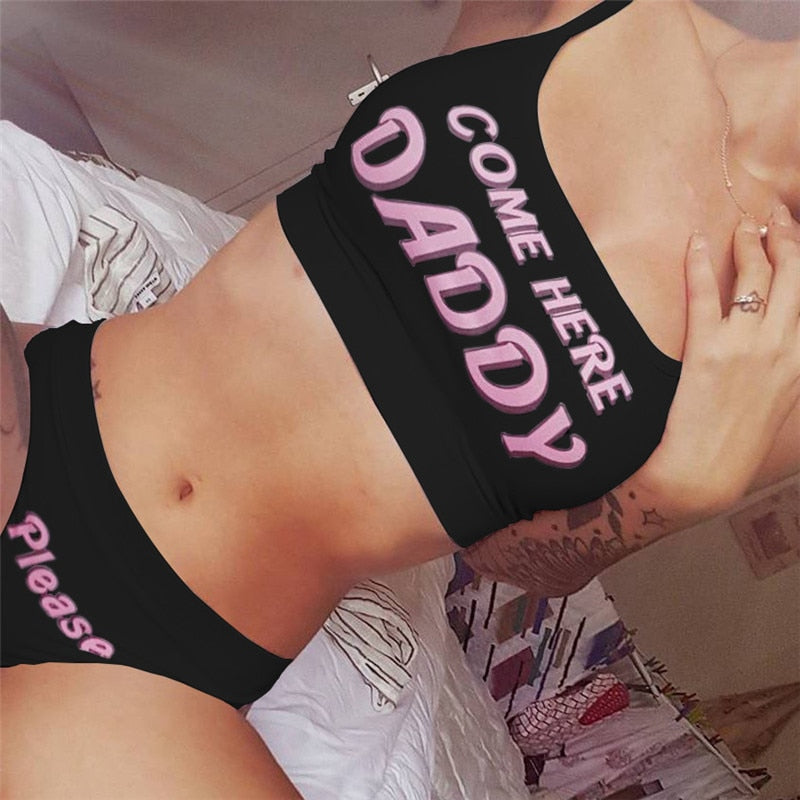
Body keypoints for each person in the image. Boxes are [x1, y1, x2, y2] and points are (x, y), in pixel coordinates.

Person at [1, 0, 798, 796]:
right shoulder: (616, 18)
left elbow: (503, 558)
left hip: (142, 663)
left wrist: (677, 494)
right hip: (40, 404)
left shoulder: (783, 351)